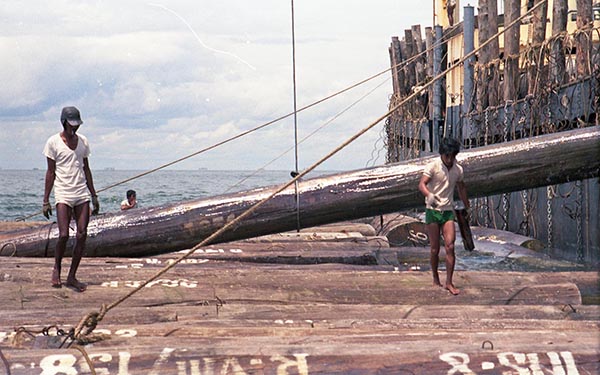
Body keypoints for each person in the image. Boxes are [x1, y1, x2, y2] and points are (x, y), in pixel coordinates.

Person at [42, 106, 99, 292]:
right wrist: (46, 200)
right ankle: (57, 268)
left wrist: (94, 194)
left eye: (77, 125)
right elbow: (50, 173)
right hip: (63, 193)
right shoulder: (53, 142)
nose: (74, 129)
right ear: (64, 122)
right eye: (71, 125)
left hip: (81, 193)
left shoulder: (83, 142)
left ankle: (72, 276)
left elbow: (86, 169)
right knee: (64, 234)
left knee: (82, 234)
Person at [418, 137, 469, 295]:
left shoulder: (458, 170)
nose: (449, 159)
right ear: (442, 154)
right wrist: (429, 195)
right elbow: (422, 184)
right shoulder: (433, 166)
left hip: (448, 211)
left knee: (450, 246)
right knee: (434, 249)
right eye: (447, 156)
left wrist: (467, 206)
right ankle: (435, 278)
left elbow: (461, 188)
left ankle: (449, 282)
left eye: (452, 156)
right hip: (433, 211)